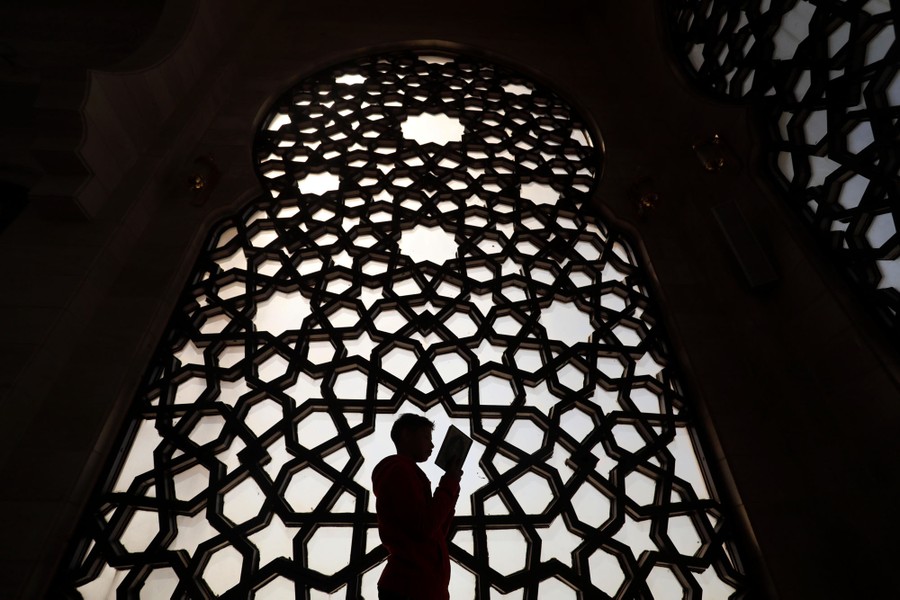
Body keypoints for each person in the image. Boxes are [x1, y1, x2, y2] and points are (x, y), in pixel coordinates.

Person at [372, 414, 463, 600]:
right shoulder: (398, 471)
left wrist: (452, 485)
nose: (431, 446)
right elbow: (425, 526)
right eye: (426, 438)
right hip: (411, 586)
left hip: (418, 585)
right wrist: (449, 483)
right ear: (406, 435)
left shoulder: (408, 472)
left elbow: (436, 531)